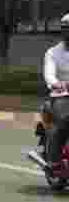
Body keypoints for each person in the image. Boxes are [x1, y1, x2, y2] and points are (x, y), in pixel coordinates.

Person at [42, 14, 69, 162]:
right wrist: (56, 83)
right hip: (61, 96)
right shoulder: (53, 53)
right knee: (64, 122)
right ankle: (54, 160)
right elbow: (49, 73)